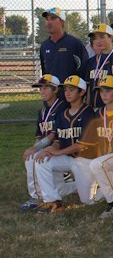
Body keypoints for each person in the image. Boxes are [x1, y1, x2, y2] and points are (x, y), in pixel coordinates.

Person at [32, 76, 95, 213]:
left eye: (71, 90)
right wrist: (51, 149)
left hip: (84, 160)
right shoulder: (63, 114)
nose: (67, 93)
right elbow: (59, 140)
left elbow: (81, 145)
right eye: (66, 89)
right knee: (42, 161)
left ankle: (99, 186)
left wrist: (58, 152)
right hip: (69, 158)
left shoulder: (88, 113)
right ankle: (53, 201)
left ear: (82, 92)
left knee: (88, 200)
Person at [80, 76, 113, 218]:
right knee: (100, 164)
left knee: (97, 164)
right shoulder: (98, 113)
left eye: (108, 91)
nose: (104, 94)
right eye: (101, 91)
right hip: (107, 156)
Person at [20, 74, 69, 211]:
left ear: (56, 90)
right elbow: (39, 134)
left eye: (46, 88)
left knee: (33, 158)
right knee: (32, 157)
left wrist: (35, 148)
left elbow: (54, 135)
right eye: (40, 88)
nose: (42, 91)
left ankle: (37, 196)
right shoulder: (42, 110)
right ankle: (37, 195)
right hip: (48, 149)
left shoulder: (61, 107)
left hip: (60, 148)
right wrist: (36, 147)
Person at [39, 7, 87, 98]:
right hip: (52, 98)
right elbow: (45, 73)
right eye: (47, 19)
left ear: (62, 21)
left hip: (71, 98)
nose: (49, 22)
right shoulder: (44, 46)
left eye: (53, 18)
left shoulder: (74, 43)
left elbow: (84, 70)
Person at [81, 23, 113, 109]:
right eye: (95, 38)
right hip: (94, 108)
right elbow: (89, 88)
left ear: (110, 37)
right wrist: (89, 107)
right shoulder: (91, 61)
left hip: (111, 108)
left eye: (102, 37)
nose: (98, 41)